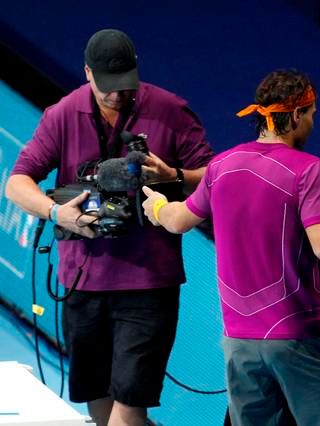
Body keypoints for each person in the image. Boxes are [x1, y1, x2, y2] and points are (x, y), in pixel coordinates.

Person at [141, 69, 320, 426]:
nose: (312, 123)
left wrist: (154, 204)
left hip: (239, 342)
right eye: (311, 114)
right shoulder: (308, 169)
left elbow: (176, 220)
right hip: (299, 337)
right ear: (296, 116)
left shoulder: (222, 165)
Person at [5, 29, 215, 426]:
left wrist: (172, 174)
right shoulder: (63, 115)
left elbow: (212, 177)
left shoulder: (170, 110)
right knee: (99, 403)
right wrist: (57, 214)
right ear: (87, 73)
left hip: (148, 283)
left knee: (129, 405)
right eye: (107, 87)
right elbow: (17, 184)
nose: (117, 95)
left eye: (125, 86)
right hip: (83, 281)